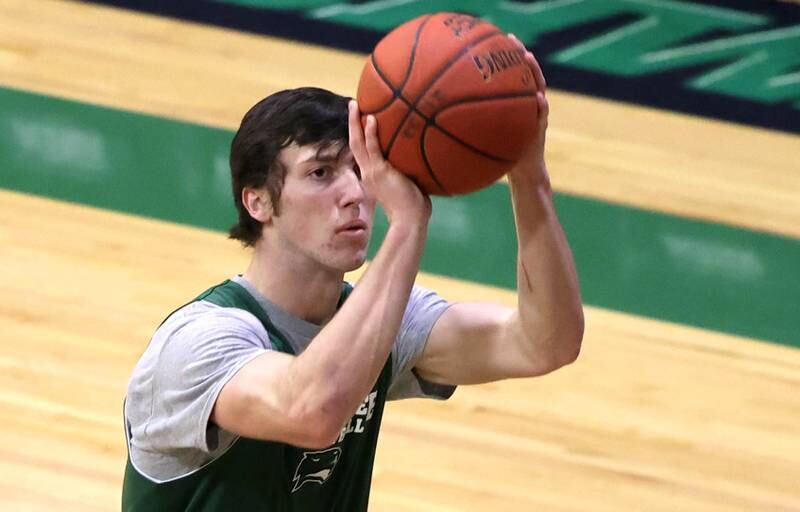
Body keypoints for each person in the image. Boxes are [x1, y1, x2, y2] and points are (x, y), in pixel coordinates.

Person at [121, 35, 583, 511]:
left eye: (360, 170)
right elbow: (310, 410)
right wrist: (406, 226)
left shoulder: (382, 320)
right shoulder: (199, 343)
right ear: (257, 200)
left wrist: (527, 174)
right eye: (321, 173)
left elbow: (545, 343)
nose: (354, 194)